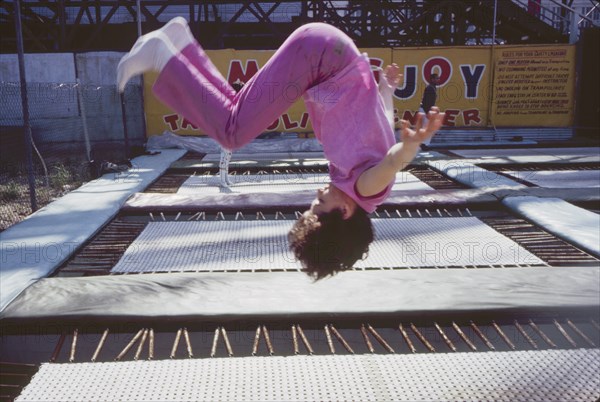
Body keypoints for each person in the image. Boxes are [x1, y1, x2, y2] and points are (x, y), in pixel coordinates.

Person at [117, 18, 444, 280]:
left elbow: (383, 120)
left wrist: (386, 89)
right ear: (344, 212)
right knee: (231, 133)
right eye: (319, 203)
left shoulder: (356, 176)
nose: (318, 192)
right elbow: (392, 162)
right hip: (320, 59)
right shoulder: (364, 190)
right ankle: (163, 55)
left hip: (326, 52)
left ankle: (181, 44)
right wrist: (411, 146)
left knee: (234, 115)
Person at [419, 73, 439, 148]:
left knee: (428, 127)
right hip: (425, 109)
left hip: (427, 109)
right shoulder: (430, 88)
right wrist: (428, 112)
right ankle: (424, 144)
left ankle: (425, 143)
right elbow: (426, 101)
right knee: (427, 127)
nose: (438, 80)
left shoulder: (432, 87)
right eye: (436, 78)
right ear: (432, 79)